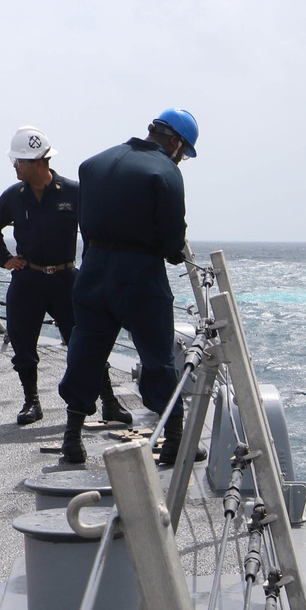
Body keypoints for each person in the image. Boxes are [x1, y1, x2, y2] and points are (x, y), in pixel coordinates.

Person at [56, 108, 199, 466]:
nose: (181, 158)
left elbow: (85, 223)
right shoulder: (164, 171)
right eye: (183, 152)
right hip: (139, 275)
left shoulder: (93, 165)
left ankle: (72, 437)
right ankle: (175, 439)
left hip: (93, 271)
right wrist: (172, 253)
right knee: (158, 356)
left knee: (85, 351)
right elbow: (172, 241)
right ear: (175, 142)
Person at [0, 126, 130, 428]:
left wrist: (91, 268)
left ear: (38, 162)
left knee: (86, 342)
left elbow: (95, 230)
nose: (15, 166)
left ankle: (109, 402)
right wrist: (5, 259)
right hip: (28, 280)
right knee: (23, 344)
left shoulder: (74, 192)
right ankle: (32, 402)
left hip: (66, 280)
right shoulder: (14, 196)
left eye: (19, 161)